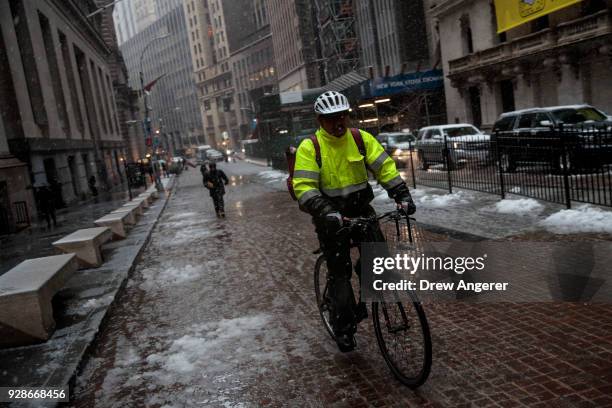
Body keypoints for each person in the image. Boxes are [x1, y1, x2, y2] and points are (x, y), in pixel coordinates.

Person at [292, 91, 416, 352]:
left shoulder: (361, 139)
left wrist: (401, 194)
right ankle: (343, 326)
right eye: (330, 119)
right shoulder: (310, 147)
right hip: (330, 219)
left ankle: (365, 291)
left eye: (342, 117)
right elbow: (303, 186)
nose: (338, 124)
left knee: (378, 262)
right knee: (340, 277)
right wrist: (325, 210)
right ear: (319, 120)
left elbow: (385, 168)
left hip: (361, 211)